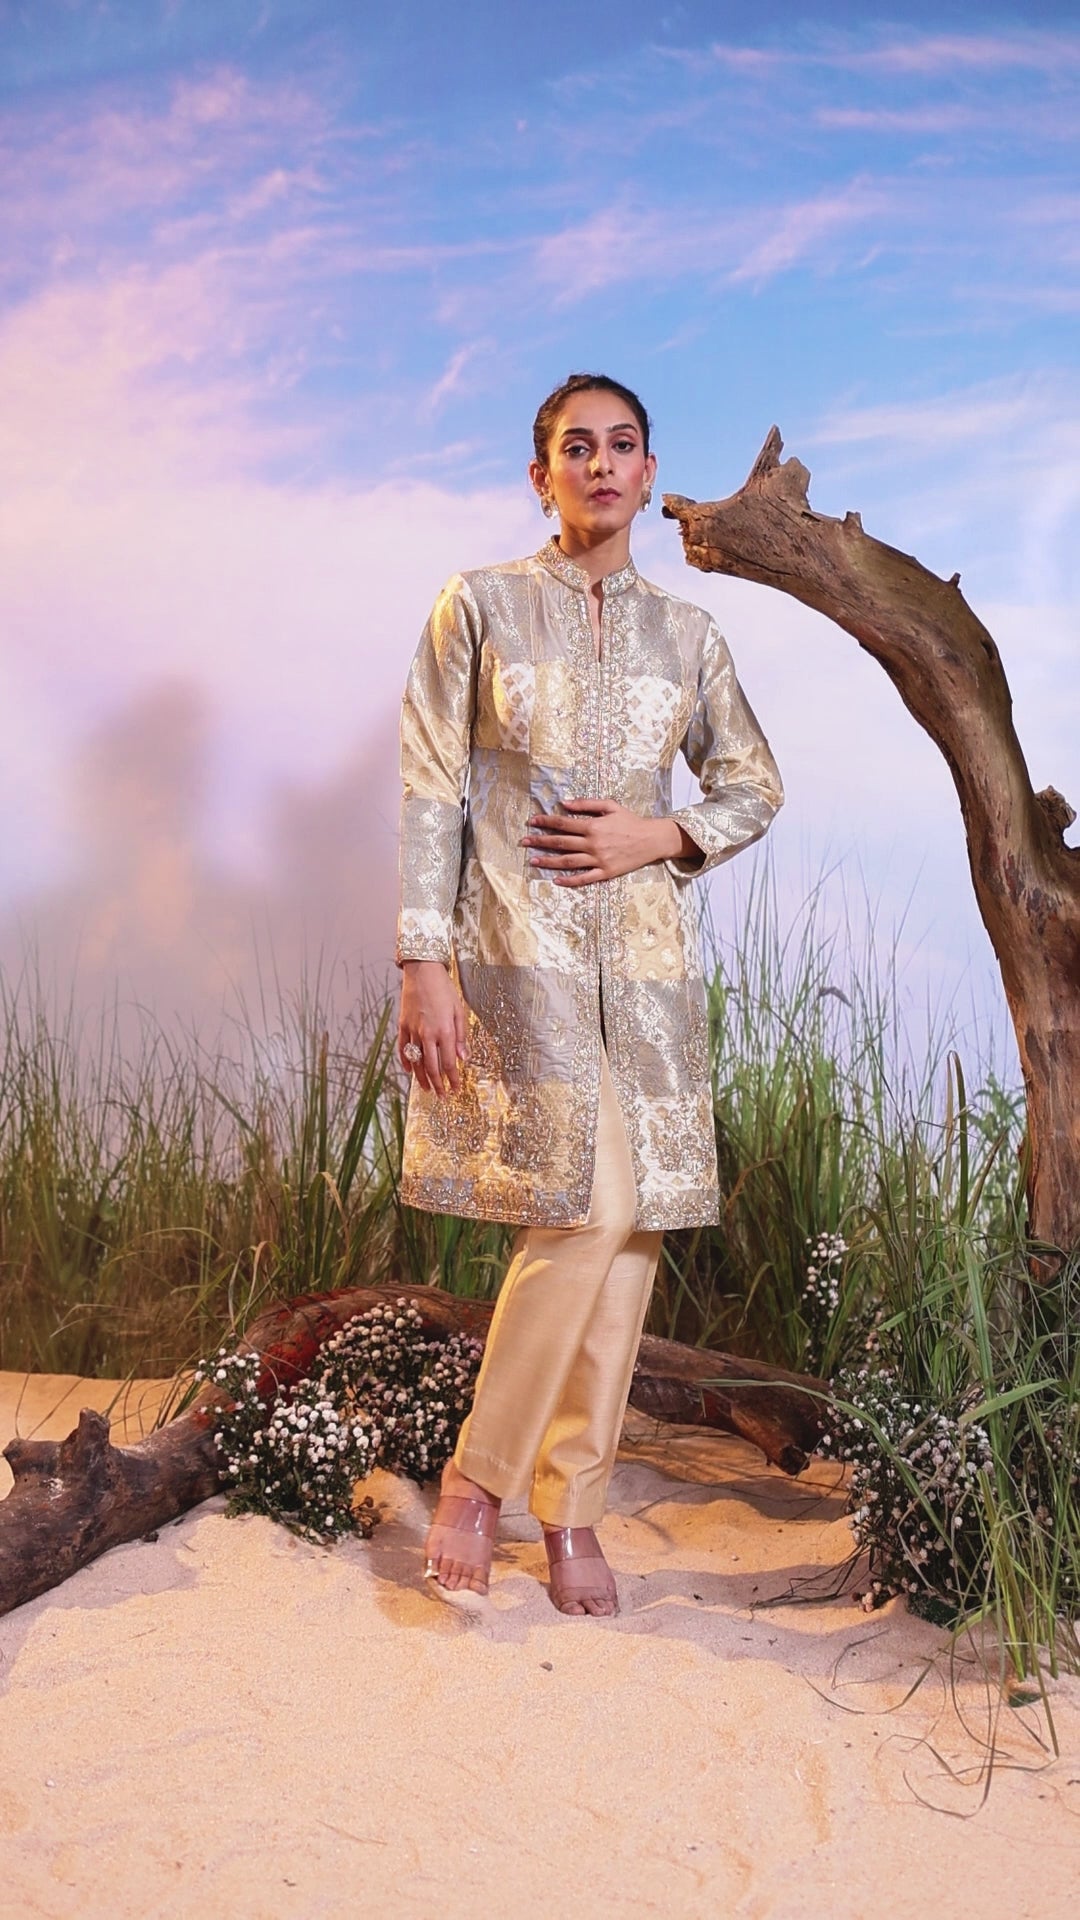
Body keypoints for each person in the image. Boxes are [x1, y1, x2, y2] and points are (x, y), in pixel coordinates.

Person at [396, 372, 782, 1616]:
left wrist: (658, 836)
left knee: (631, 1234)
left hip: (651, 970)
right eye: (578, 447)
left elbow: (754, 785)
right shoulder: (480, 605)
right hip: (521, 955)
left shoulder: (691, 636)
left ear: (650, 474)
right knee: (584, 1208)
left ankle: (573, 1509)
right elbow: (430, 785)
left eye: (623, 446)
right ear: (541, 475)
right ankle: (478, 1482)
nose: (602, 465)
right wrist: (422, 961)